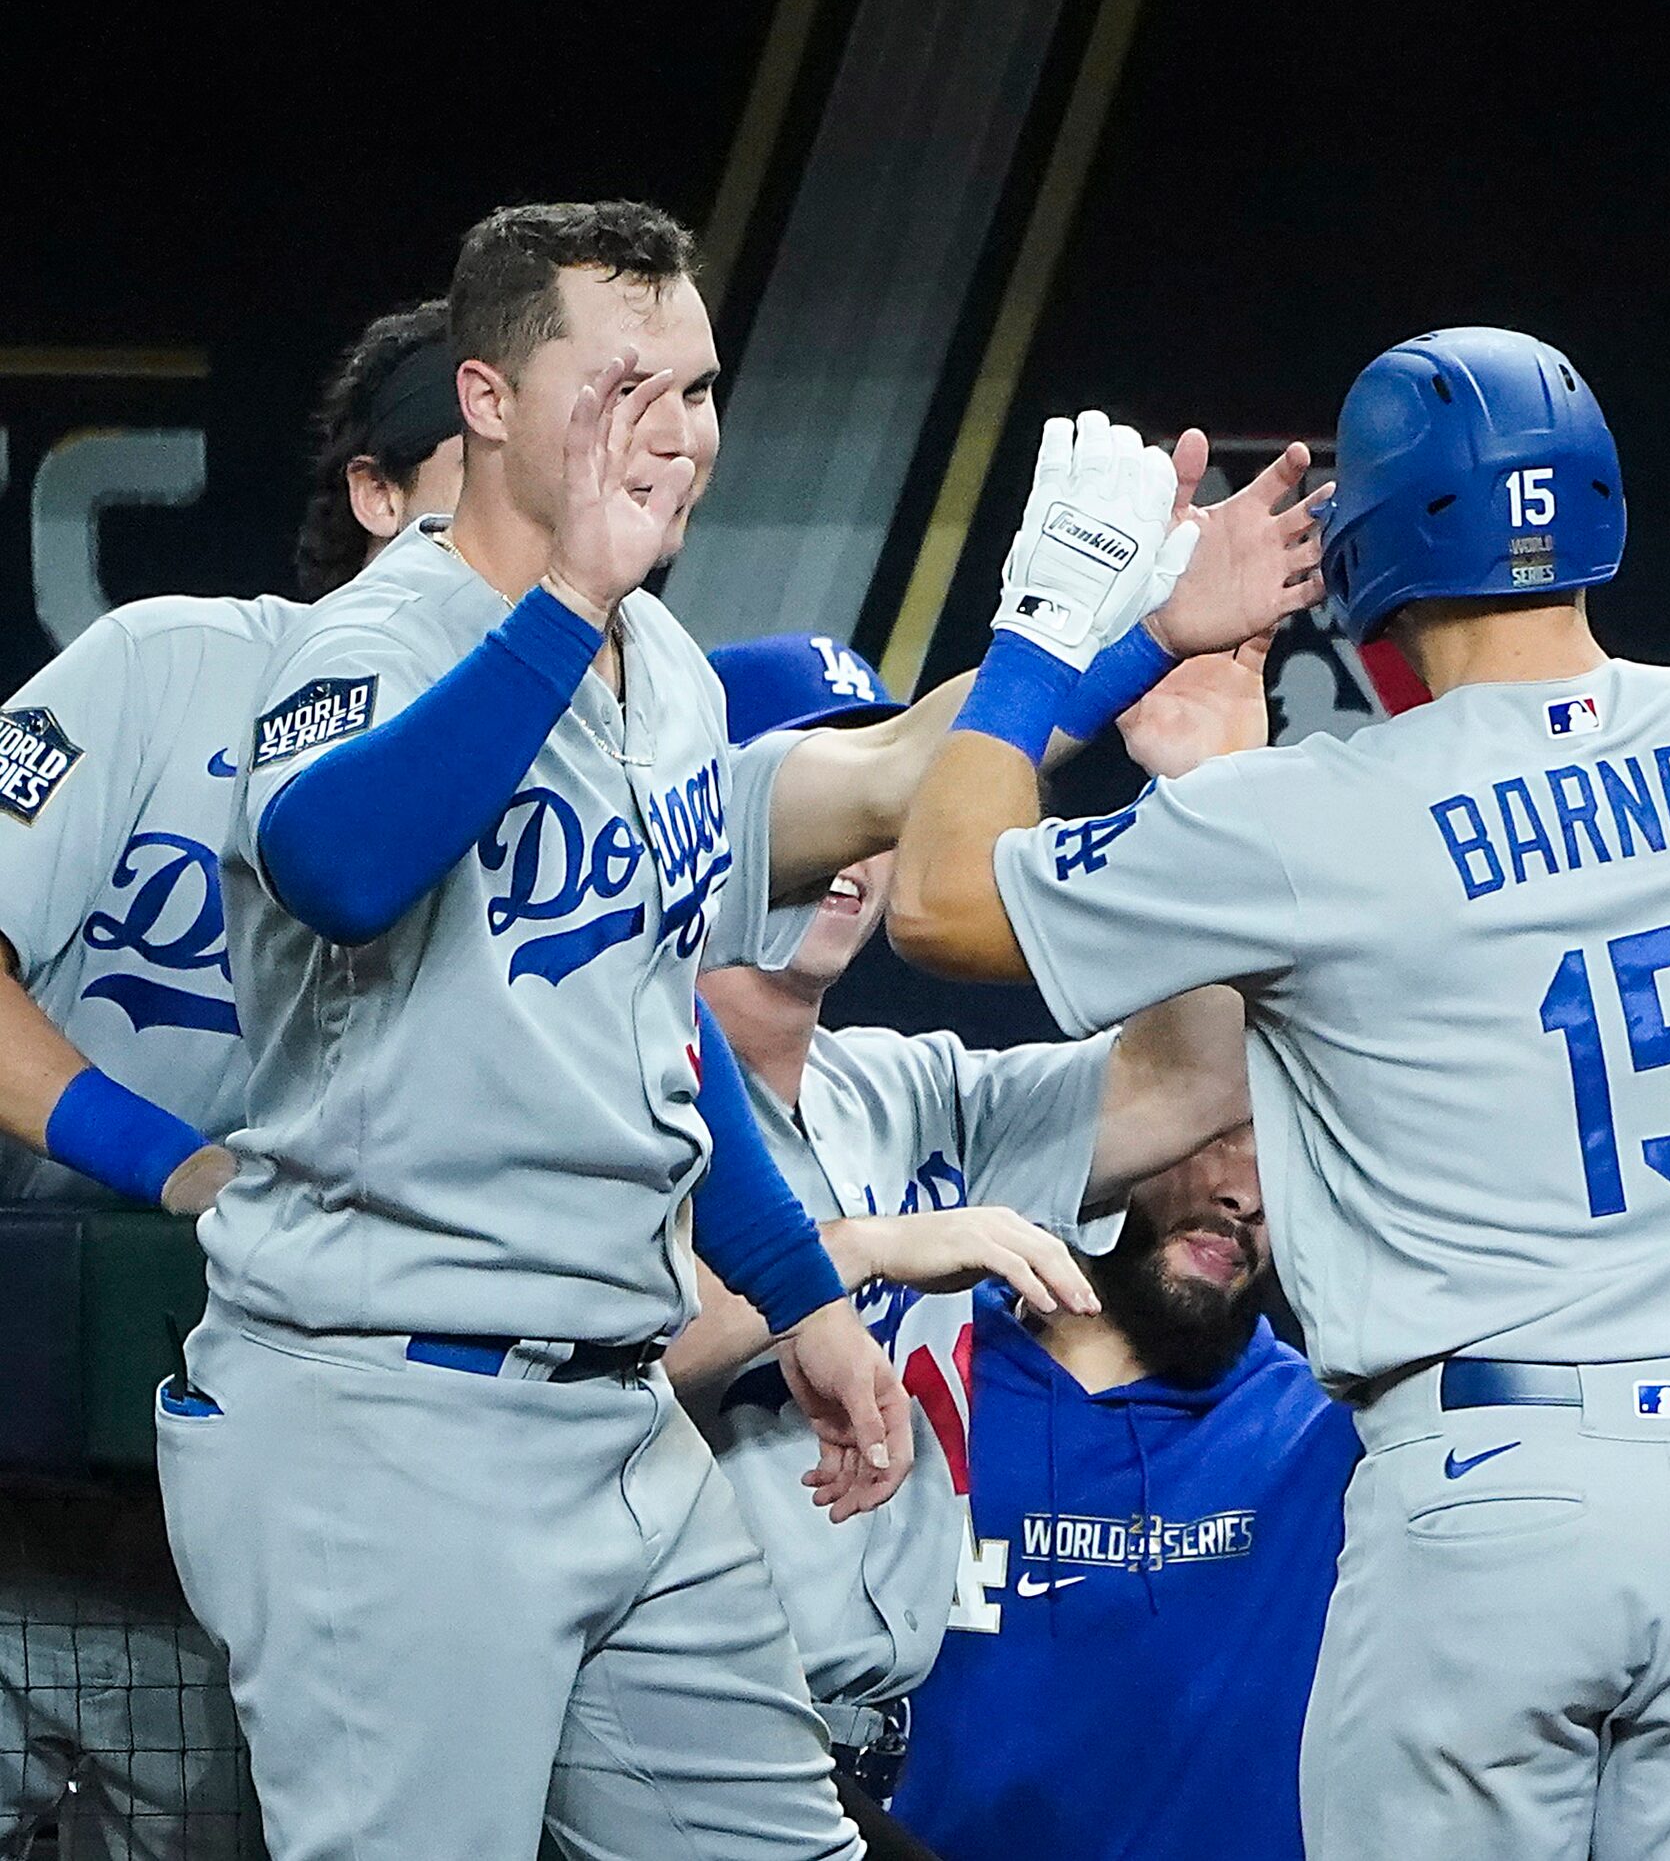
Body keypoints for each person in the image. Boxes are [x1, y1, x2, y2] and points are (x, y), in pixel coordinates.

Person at [881, 27, 1670, 1858]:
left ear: (1359, 556)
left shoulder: (1318, 816)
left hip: (1487, 1479)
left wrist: (1075, 635)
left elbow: (942, 897)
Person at [152, 200, 1317, 1861]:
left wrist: (1121, 636)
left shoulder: (672, 678)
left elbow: (660, 1043)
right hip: (388, 1416)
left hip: (613, 1414)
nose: (676, 431)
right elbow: (333, 866)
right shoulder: (371, 633)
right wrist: (565, 596)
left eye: (696, 388)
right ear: (486, 400)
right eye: (622, 387)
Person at [663, 628, 1269, 1848]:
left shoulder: (911, 1093)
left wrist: (1208, 792)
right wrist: (867, 1248)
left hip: (870, 1745)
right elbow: (608, 1341)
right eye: (820, 812)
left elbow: (1193, 1080)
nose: (853, 861)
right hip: (671, 1736)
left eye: (874, 819)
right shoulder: (606, 1081)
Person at [1, 295, 461, 1861]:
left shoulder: (580, 775)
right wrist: (176, 1164)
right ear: (379, 493)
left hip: (298, 1547)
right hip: (31, 1481)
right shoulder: (174, 663)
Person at [888, 1125, 1357, 1861]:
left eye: (1286, 1152)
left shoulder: (1326, 1429)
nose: (1248, 1196)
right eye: (1216, 1138)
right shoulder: (914, 1374)